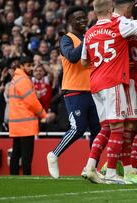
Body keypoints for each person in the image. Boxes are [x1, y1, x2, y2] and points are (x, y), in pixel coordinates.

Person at [81, 0, 137, 184]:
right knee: (117, 129)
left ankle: (90, 167)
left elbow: (83, 61)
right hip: (112, 82)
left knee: (105, 127)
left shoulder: (89, 33)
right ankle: (112, 172)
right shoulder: (119, 24)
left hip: (95, 84)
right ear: (111, 9)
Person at [47, 6, 101, 179]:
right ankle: (53, 155)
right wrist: (87, 39)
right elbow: (71, 56)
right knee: (77, 128)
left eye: (84, 18)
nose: (82, 21)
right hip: (74, 90)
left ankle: (91, 167)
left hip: (93, 90)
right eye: (78, 18)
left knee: (97, 130)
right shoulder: (66, 39)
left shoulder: (89, 38)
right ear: (69, 22)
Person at [8, 56, 51, 175]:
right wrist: (43, 115)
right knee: (27, 155)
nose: (31, 68)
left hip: (17, 123)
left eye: (31, 65)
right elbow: (31, 101)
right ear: (21, 66)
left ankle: (13, 177)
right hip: (25, 125)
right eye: (28, 65)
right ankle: (27, 177)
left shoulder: (16, 79)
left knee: (16, 153)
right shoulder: (23, 80)